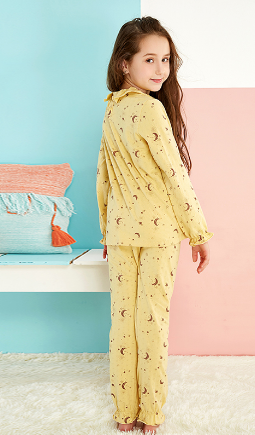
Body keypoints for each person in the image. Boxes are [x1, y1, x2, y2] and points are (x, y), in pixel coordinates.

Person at [96, 16, 214, 434]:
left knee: (123, 322)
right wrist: (198, 233)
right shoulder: (150, 109)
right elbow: (174, 175)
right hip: (159, 232)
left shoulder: (112, 109)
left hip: (121, 232)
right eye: (149, 59)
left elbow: (103, 179)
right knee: (151, 322)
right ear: (124, 63)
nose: (160, 69)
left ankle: (125, 413)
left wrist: (106, 230)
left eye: (165, 59)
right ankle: (151, 416)